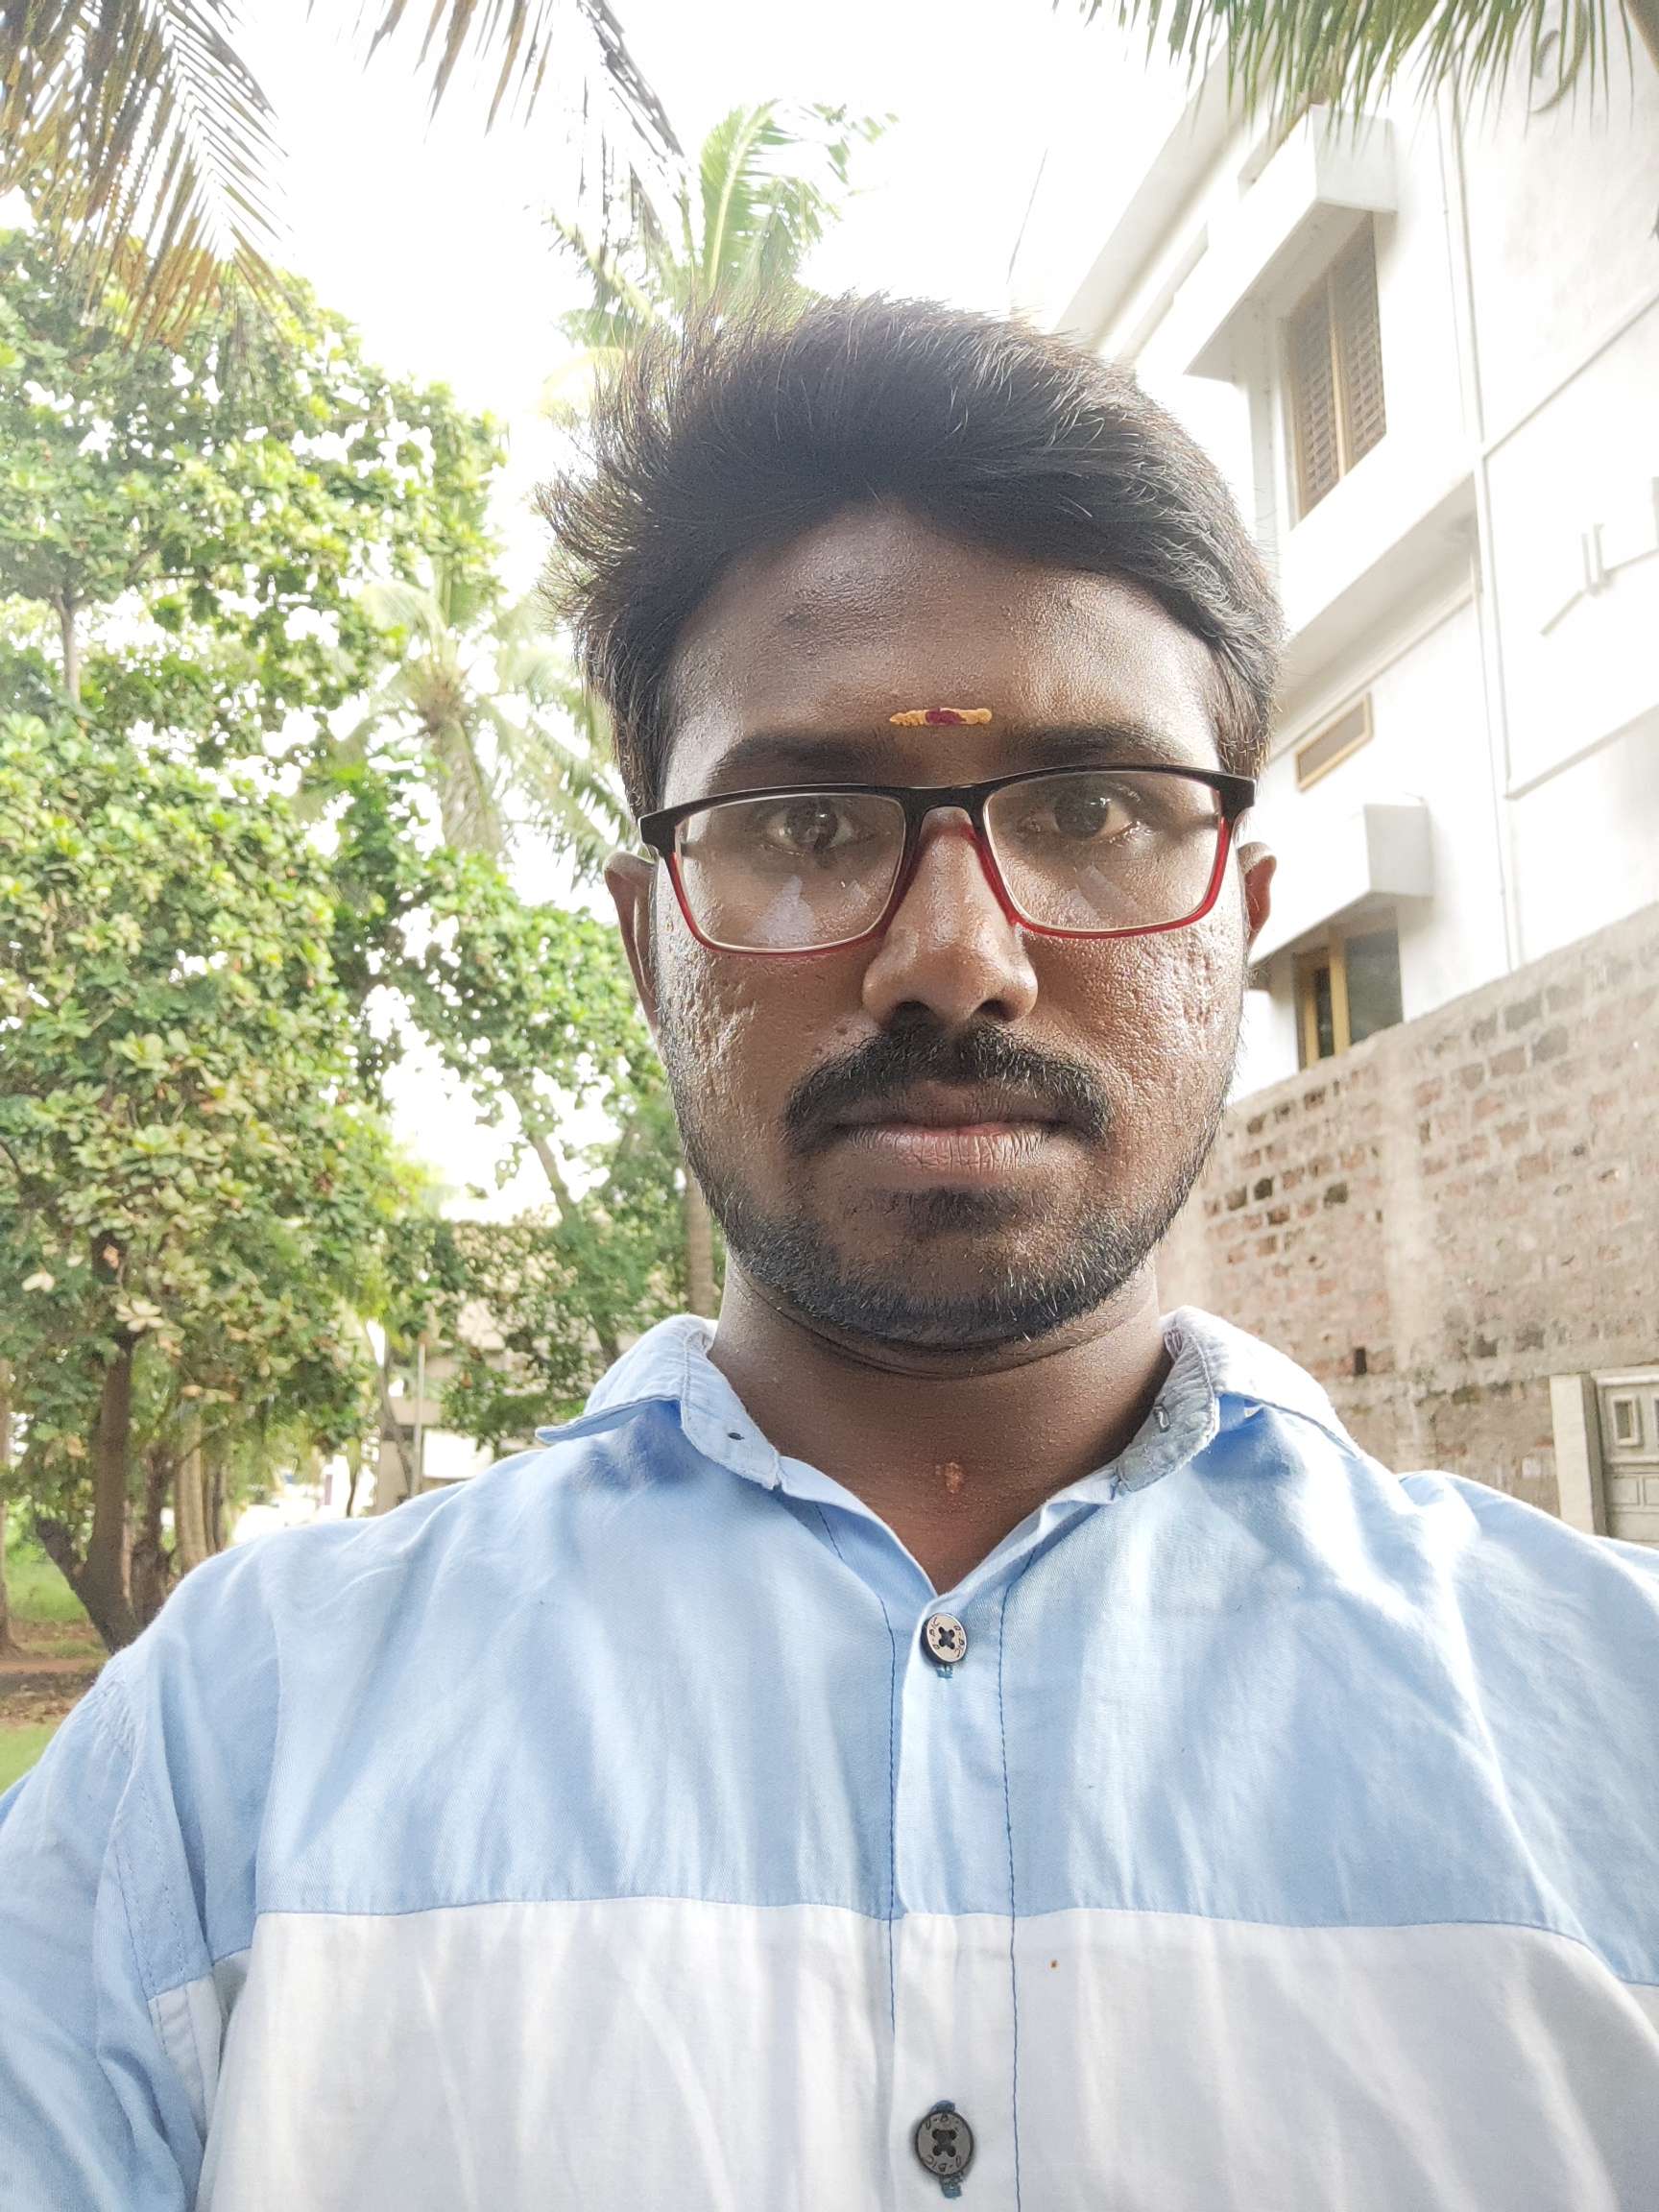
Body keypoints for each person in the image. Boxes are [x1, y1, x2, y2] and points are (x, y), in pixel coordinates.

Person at [2, 297, 1656, 2212]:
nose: (957, 955)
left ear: (1241, 919)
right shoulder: (230, 1752)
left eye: (1093, 809)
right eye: (802, 822)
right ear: (649, 945)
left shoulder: (1615, 1724)